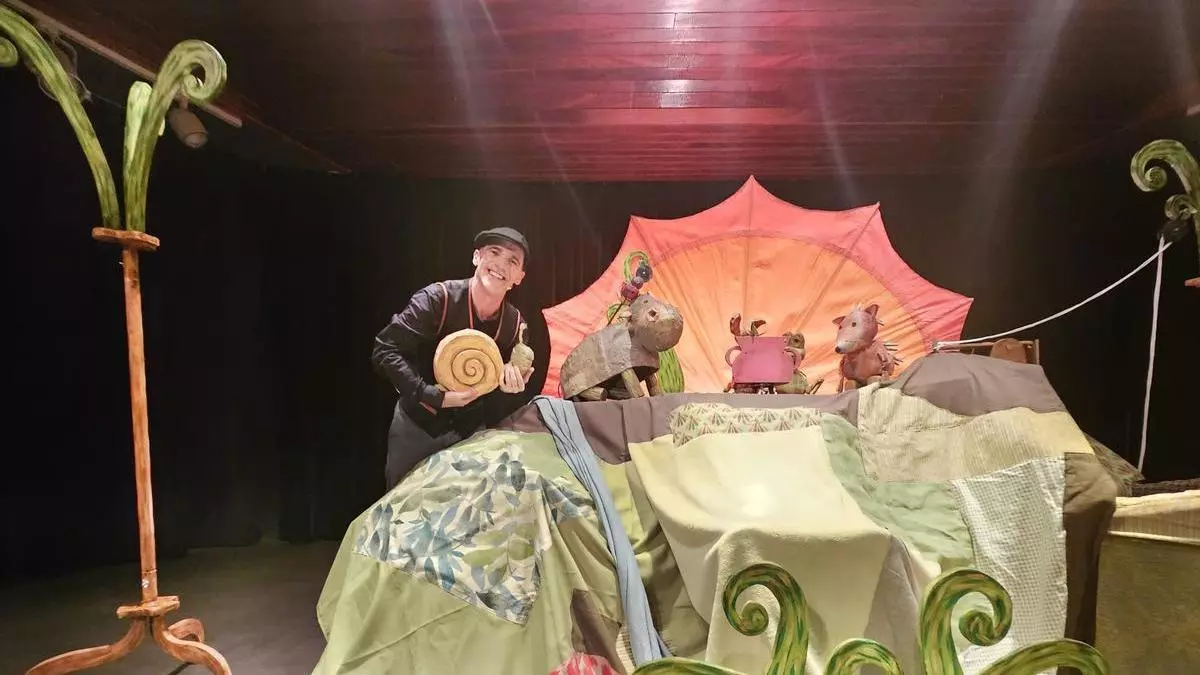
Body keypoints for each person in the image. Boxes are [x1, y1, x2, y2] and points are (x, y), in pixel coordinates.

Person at [371, 227, 534, 489]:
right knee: (402, 506)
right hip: (417, 427)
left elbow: (499, 389)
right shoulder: (437, 300)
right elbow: (385, 350)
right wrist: (433, 396)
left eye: (512, 261)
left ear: (519, 278)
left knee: (463, 510)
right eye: (494, 252)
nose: (501, 264)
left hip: (470, 434)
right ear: (476, 257)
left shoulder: (515, 325)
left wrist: (510, 387)